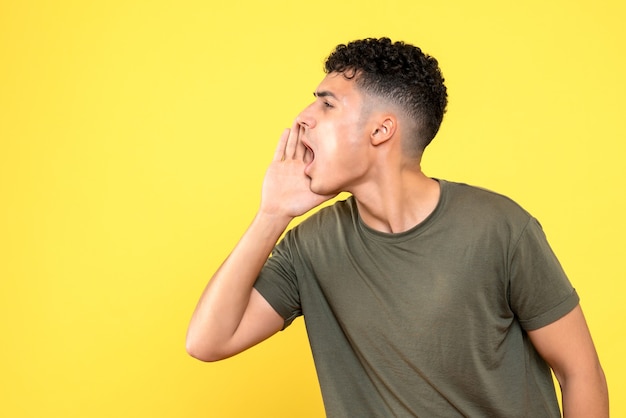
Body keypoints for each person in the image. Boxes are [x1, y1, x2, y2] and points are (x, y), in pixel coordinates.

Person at [186, 38, 608, 417]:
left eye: (327, 104)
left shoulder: (498, 228)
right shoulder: (310, 247)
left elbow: (580, 371)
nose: (302, 118)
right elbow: (207, 342)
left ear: (382, 129)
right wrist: (272, 214)